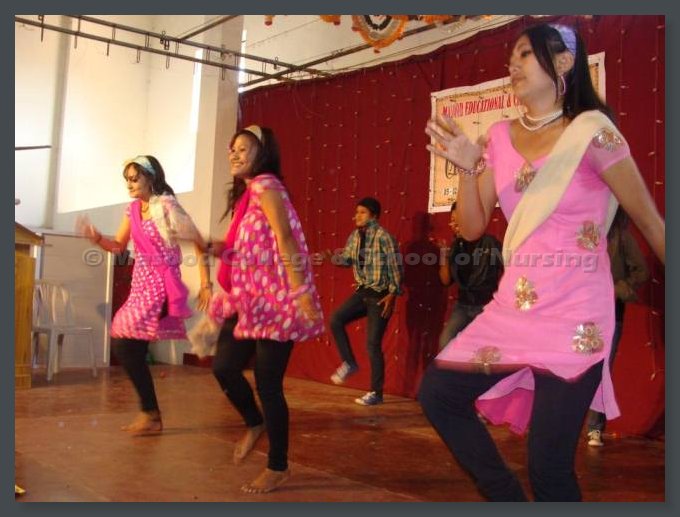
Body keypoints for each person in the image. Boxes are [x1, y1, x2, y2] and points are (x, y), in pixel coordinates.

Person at [420, 23, 665, 501]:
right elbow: (471, 227)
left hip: (576, 313)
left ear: (565, 62)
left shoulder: (593, 133)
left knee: (548, 466)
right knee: (438, 394)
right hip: (513, 308)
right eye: (511, 57)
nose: (512, 64)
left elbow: (652, 224)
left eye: (525, 54)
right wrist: (468, 169)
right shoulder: (498, 136)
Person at [202, 125, 324, 494]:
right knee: (224, 368)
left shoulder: (267, 185)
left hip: (277, 300)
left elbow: (285, 237)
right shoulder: (247, 196)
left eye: (243, 148)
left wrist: (300, 290)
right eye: (233, 148)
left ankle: (278, 466)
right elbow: (248, 251)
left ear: (263, 153)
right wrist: (212, 246)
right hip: (247, 299)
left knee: (268, 383)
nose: (234, 154)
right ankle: (255, 423)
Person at [76, 155, 211, 435]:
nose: (129, 184)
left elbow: (198, 241)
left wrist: (206, 283)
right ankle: (151, 414)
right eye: (127, 180)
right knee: (129, 348)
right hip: (140, 286)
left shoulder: (167, 206)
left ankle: (150, 414)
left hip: (161, 286)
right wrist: (97, 238)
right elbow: (118, 246)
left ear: (151, 178)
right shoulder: (133, 210)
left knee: (123, 342)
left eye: (134, 178)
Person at [328, 197, 403, 406]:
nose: (357, 216)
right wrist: (333, 258)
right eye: (356, 212)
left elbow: (396, 267)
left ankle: (376, 393)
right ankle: (349, 363)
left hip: (380, 295)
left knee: (372, 344)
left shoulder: (384, 237)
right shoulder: (355, 236)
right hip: (362, 292)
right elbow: (348, 260)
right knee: (336, 319)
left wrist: (393, 294)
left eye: (362, 212)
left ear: (374, 216)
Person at [586, 208, 649, 446]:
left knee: (602, 369)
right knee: (573, 368)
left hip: (611, 314)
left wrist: (618, 289)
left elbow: (642, 270)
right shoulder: (584, 234)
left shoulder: (621, 236)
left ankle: (595, 427)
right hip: (581, 311)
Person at [437, 201, 503, 350]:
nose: (453, 225)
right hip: (463, 306)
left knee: (483, 349)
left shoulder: (489, 243)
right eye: (452, 221)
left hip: (485, 305)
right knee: (445, 342)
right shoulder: (456, 246)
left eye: (458, 221)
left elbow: (508, 268)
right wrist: (444, 256)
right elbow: (445, 281)